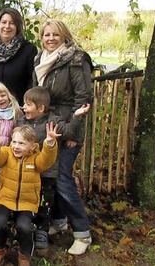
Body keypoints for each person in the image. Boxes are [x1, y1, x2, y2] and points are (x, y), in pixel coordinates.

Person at [33, 19, 93, 255]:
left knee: (63, 180)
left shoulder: (76, 59)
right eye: (46, 35)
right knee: (49, 177)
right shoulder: (39, 60)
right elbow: (36, 95)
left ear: (64, 36)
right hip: (47, 128)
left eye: (55, 35)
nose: (50, 39)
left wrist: (75, 134)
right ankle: (58, 221)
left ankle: (82, 233)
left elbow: (84, 99)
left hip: (68, 126)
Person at [18, 86, 90, 250]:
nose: (24, 107)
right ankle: (30, 228)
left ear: (41, 108)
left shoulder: (52, 121)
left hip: (47, 173)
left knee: (45, 201)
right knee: (30, 200)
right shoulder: (22, 121)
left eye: (28, 104)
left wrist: (76, 116)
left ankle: (42, 230)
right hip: (29, 171)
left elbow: (69, 131)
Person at [0, 123, 60, 266]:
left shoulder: (36, 159)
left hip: (27, 202)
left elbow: (47, 160)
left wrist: (50, 143)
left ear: (32, 146)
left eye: (21, 143)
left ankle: (24, 256)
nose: (16, 146)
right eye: (14, 142)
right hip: (5, 199)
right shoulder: (6, 154)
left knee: (24, 226)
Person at [0, 8, 37, 105]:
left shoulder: (28, 50)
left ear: (17, 26)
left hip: (17, 111)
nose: (7, 26)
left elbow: (32, 82)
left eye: (12, 23)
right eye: (4, 22)